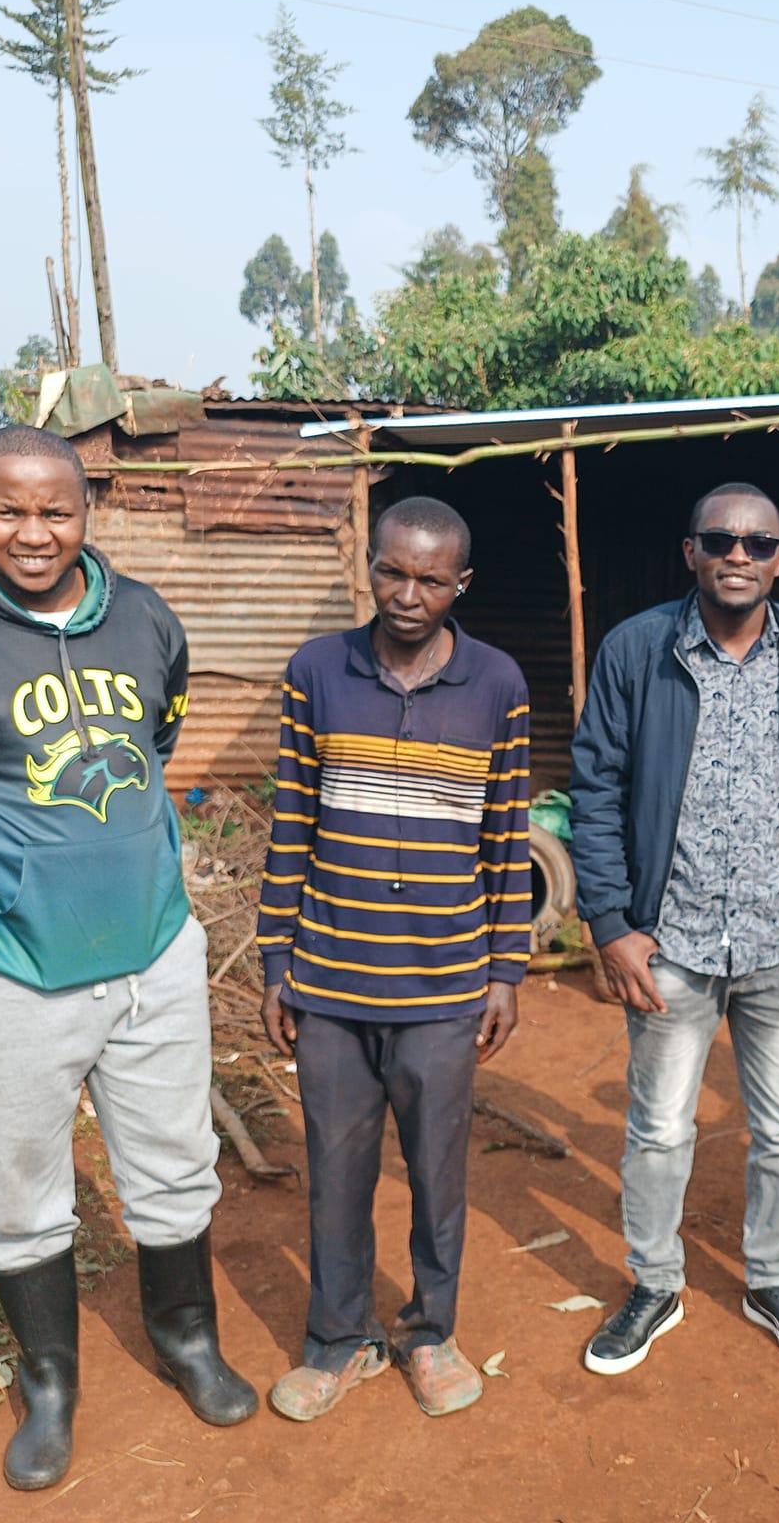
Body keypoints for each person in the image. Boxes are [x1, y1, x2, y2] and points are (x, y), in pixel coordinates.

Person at [0, 424, 255, 1491]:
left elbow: (153, 743)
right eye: (6, 510)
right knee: (17, 1187)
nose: (33, 532)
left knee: (172, 1163)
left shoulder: (147, 619)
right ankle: (51, 1384)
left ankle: (188, 1340)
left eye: (55, 510)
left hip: (151, 951)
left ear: (87, 510)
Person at [570, 480, 779, 1374]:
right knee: (661, 1129)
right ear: (692, 553)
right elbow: (594, 789)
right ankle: (656, 1284)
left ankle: (772, 1280)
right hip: (673, 942)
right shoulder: (639, 649)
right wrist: (609, 921)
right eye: (720, 540)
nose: (737, 555)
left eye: (756, 543)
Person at [255, 496, 532, 1422]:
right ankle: (338, 1340)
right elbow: (290, 820)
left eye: (431, 578)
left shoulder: (498, 686)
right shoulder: (316, 672)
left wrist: (506, 971)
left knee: (436, 1172)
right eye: (391, 571)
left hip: (446, 986)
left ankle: (427, 1332)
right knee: (334, 1166)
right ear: (368, 566)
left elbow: (507, 839)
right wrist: (274, 962)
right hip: (331, 980)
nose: (408, 594)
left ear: (461, 583)